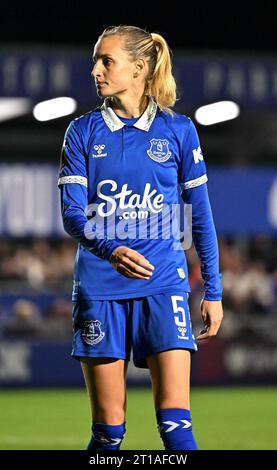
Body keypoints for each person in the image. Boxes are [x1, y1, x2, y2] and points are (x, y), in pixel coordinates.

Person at [58, 25, 223, 451]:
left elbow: (200, 218)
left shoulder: (178, 130)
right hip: (99, 287)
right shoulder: (82, 132)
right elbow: (72, 215)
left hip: (164, 283)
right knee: (109, 432)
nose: (95, 70)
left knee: (176, 427)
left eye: (106, 61)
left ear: (139, 67)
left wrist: (214, 290)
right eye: (95, 60)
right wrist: (111, 250)